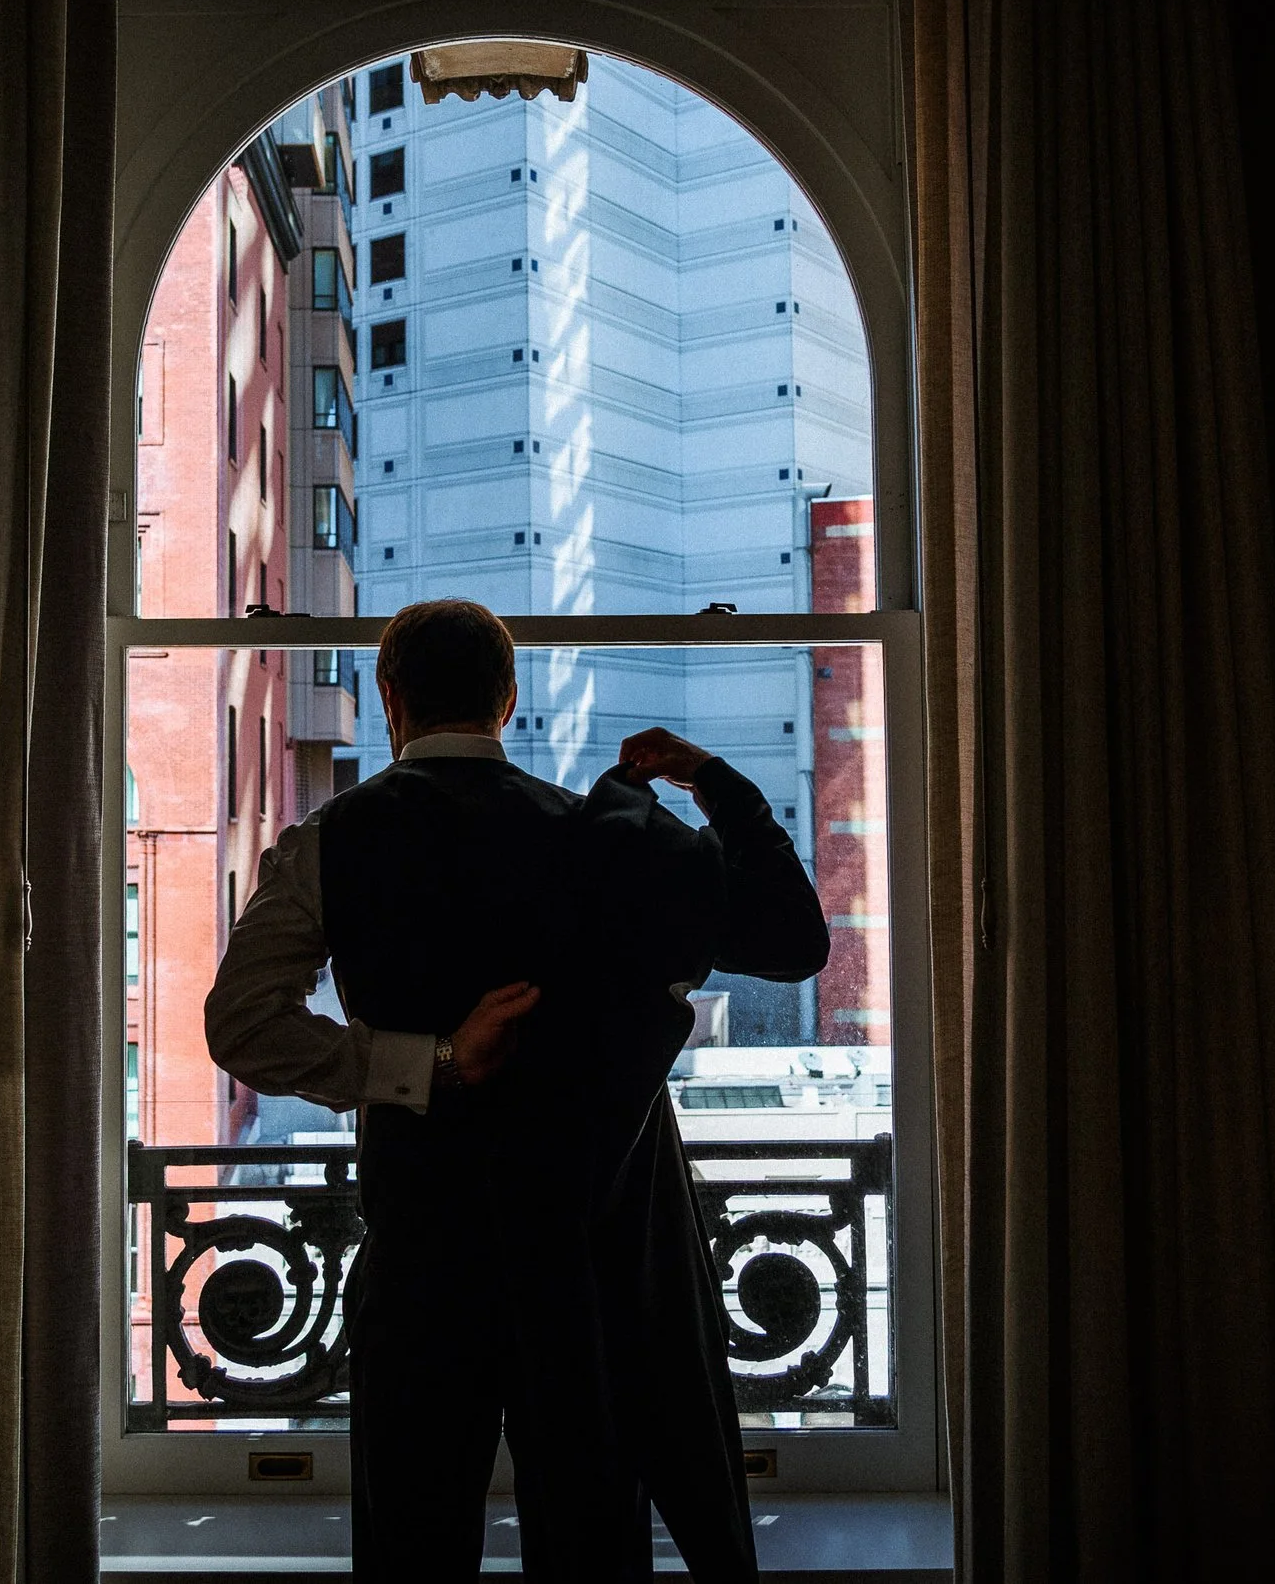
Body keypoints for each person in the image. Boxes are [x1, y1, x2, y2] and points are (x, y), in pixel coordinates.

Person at [204, 598, 829, 1581]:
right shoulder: (605, 842)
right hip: (581, 1268)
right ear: (508, 699)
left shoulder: (329, 841)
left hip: (424, 1252)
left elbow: (242, 1025)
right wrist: (707, 775)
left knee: (414, 1543)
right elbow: (795, 942)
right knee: (590, 1542)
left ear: (389, 696)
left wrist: (432, 1060)